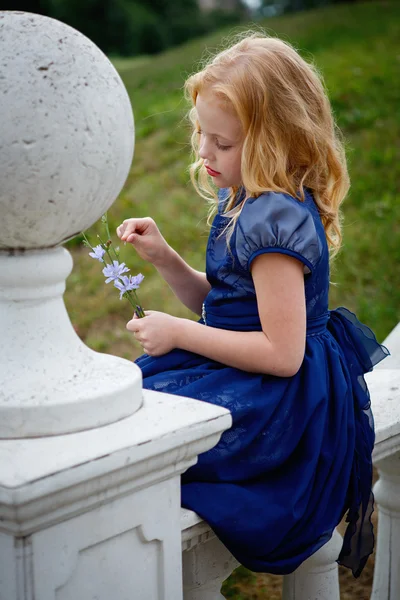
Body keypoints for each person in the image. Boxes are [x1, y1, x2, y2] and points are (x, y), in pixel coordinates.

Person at [116, 33, 389, 577]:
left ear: (274, 140)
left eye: (221, 143)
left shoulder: (274, 222)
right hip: (245, 364)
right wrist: (166, 257)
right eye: (201, 135)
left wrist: (179, 334)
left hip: (284, 395)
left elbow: (282, 353)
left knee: (155, 432)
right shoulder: (242, 197)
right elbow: (223, 305)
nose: (203, 153)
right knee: (134, 399)